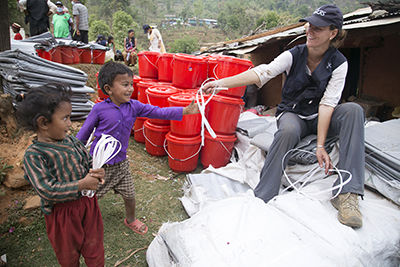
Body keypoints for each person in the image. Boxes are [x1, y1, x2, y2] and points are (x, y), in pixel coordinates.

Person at [202, 4, 365, 228]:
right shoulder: (294, 54)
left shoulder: (339, 63)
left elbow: (328, 104)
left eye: (318, 28)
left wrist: (320, 145)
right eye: (309, 26)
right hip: (294, 114)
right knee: (287, 130)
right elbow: (262, 72)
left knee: (354, 110)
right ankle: (264, 194)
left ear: (333, 33)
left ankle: (348, 193)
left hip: (320, 116)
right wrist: (220, 84)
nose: (310, 31)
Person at [76, 61, 199, 235]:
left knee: (130, 194)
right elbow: (82, 135)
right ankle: (81, 221)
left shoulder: (134, 107)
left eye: (131, 84)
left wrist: (185, 111)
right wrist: (73, 154)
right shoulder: (99, 109)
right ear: (108, 89)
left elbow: (159, 112)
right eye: (124, 84)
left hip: (121, 165)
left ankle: (131, 219)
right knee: (90, 197)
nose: (130, 89)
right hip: (100, 167)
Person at [15, 83, 106, 266]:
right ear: (43, 123)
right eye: (65, 118)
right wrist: (82, 184)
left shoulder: (71, 141)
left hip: (87, 205)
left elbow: (86, 161)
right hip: (62, 215)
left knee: (95, 250)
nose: (70, 123)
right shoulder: (35, 156)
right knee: (68, 256)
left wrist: (96, 171)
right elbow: (47, 190)